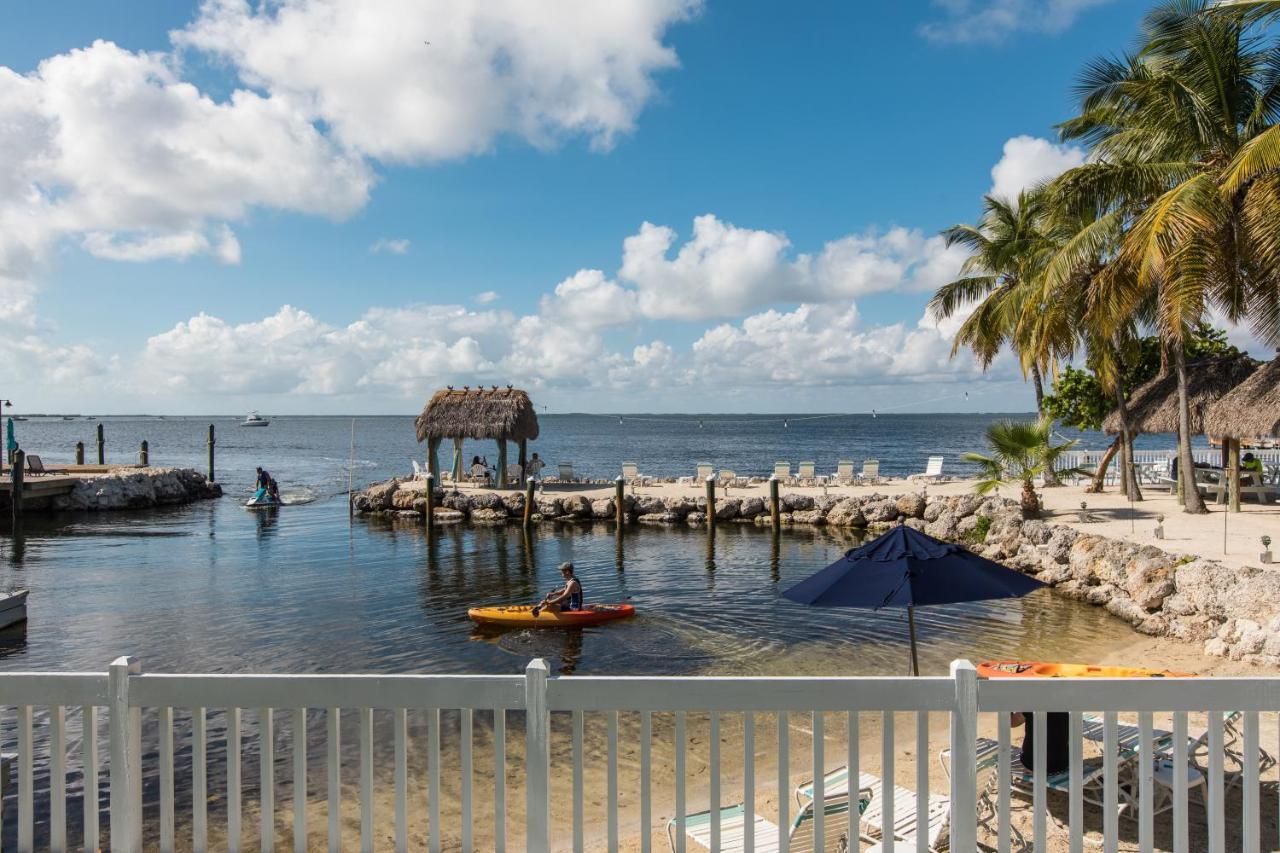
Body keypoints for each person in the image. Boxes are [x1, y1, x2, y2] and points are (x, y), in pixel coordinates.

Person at [1011, 711, 1071, 777]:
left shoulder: (1031, 703)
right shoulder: (1065, 702)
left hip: (1033, 764)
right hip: (1061, 764)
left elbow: (1012, 722)